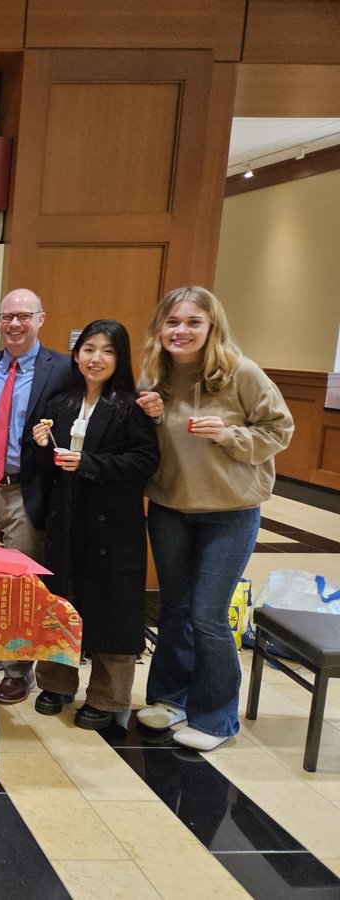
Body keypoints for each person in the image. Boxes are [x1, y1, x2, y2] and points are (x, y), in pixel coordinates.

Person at [133, 286, 293, 751]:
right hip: (169, 509)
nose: (181, 331)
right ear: (160, 328)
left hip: (229, 513)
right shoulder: (153, 377)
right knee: (176, 609)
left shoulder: (241, 373)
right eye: (172, 322)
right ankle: (169, 698)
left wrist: (230, 434)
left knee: (207, 616)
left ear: (211, 327)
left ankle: (217, 716)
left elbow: (279, 430)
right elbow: (151, 446)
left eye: (192, 322)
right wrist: (152, 419)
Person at [29, 320, 159, 728]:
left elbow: (145, 462)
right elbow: (39, 461)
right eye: (88, 348)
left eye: (106, 350)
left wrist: (89, 464)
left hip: (113, 525)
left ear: (119, 358)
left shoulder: (130, 404)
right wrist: (37, 442)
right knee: (61, 601)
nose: (95, 358)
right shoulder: (61, 402)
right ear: (76, 354)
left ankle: (107, 696)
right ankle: (56, 682)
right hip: (66, 517)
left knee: (112, 607)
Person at [0, 289, 70, 703]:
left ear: (41, 319)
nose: (15, 325)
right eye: (7, 316)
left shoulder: (61, 368)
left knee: (22, 583)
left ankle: (21, 670)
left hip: (28, 490)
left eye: (24, 316)